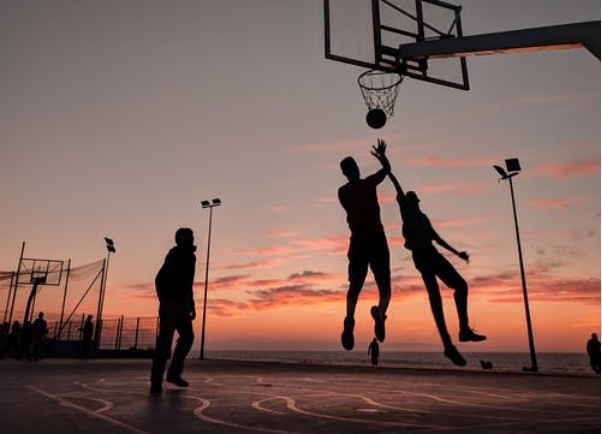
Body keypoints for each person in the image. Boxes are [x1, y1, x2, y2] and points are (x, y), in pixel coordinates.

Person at [387, 167, 486, 367]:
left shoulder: (423, 218)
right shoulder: (407, 213)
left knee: (461, 286)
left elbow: (438, 239)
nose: (413, 204)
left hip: (433, 254)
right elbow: (397, 186)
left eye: (415, 202)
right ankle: (448, 344)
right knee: (436, 297)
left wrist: (458, 253)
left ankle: (464, 330)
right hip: (422, 257)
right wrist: (385, 164)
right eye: (411, 201)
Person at [338, 140, 392, 351]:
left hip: (359, 240)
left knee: (355, 286)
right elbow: (386, 170)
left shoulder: (342, 192)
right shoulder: (368, 184)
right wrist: (381, 157)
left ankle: (349, 319)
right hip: (376, 239)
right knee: (385, 286)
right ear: (356, 169)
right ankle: (380, 313)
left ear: (344, 174)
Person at [150, 228, 197, 393]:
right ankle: (157, 380)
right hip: (171, 305)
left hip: (181, 305)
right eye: (190, 236)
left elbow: (187, 284)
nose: (193, 238)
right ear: (181, 239)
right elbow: (159, 279)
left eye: (192, 236)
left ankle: (173, 374)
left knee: (187, 338)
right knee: (165, 342)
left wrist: (191, 304)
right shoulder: (176, 255)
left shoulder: (190, 256)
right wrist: (165, 299)